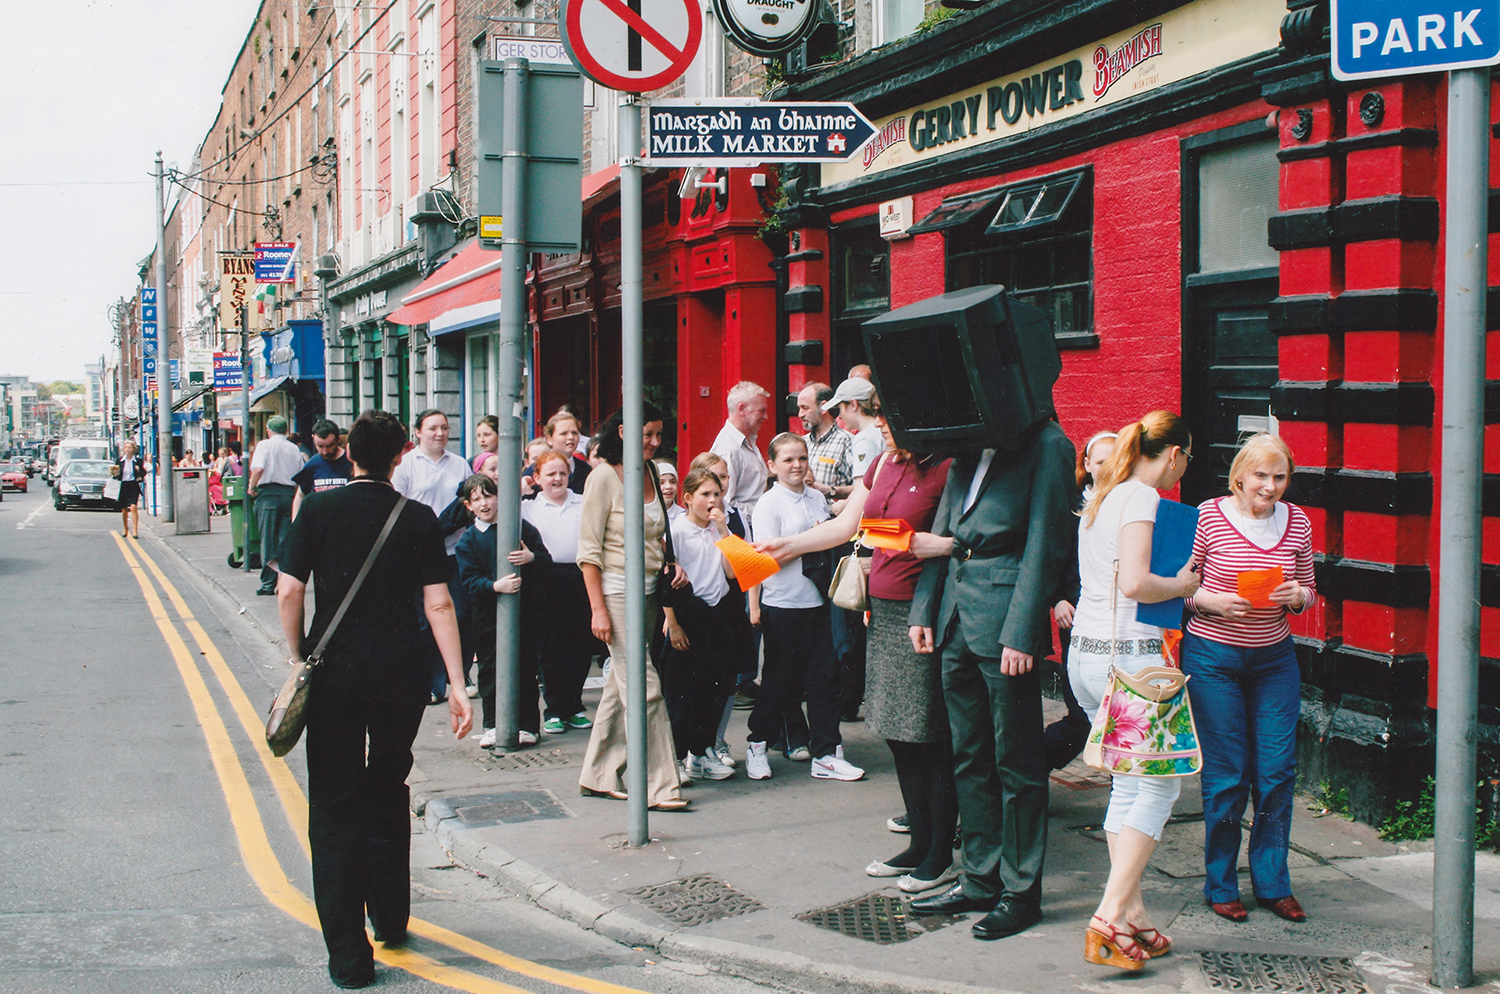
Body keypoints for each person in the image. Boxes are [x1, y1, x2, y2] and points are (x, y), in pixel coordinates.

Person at [276, 409, 473, 990]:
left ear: (350, 454)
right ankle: (389, 915)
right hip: (399, 676)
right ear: (399, 456)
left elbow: (290, 590)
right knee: (388, 784)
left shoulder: (316, 508)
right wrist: (458, 685)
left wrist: (298, 657)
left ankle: (349, 958)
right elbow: (439, 604)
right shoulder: (415, 519)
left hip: (334, 675)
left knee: (334, 803)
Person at [758, 390, 954, 889]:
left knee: (925, 733)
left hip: (921, 615)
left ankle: (939, 851)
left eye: (887, 419)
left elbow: (943, 543)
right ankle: (918, 841)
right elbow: (849, 526)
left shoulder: (946, 467)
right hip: (883, 612)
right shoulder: (885, 464)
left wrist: (918, 543)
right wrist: (787, 545)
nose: (878, 427)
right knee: (894, 729)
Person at [905, 419, 1076, 940]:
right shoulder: (968, 441)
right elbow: (944, 535)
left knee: (1018, 762)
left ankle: (1021, 892)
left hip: (1005, 626)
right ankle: (980, 877)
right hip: (957, 619)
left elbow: (1048, 540)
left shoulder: (1047, 444)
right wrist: (923, 608)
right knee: (970, 754)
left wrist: (1024, 632)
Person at [1068, 412, 1199, 970]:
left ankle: (1132, 913)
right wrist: (1185, 584)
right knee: (1162, 785)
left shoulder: (1101, 496)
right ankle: (1108, 913)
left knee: (1128, 785)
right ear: (1173, 454)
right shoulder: (1142, 499)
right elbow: (1137, 583)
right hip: (1135, 661)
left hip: (1088, 657)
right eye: (1186, 460)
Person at [1182, 432, 1315, 925]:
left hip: (1273, 661)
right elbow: (1176, 587)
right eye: (1261, 475)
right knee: (1228, 775)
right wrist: (1208, 602)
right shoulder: (1208, 516)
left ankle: (1273, 883)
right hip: (1214, 658)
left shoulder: (1297, 521)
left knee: (1277, 772)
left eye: (1280, 477)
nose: (1270, 486)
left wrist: (1296, 596)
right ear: (1239, 475)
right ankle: (1220, 884)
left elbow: (1309, 591)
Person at [576, 404, 690, 811]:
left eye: (660, 435)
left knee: (618, 688)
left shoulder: (651, 474)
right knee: (646, 689)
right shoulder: (602, 478)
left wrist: (671, 565)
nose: (656, 443)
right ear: (623, 432)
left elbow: (656, 535)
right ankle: (662, 787)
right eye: (648, 435)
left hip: (647, 595)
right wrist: (598, 610)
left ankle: (599, 773)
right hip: (615, 594)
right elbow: (588, 552)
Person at [747, 432, 865, 783]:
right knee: (779, 682)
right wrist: (813, 540)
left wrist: (819, 535)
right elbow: (765, 559)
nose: (797, 465)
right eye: (788, 460)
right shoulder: (768, 505)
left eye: (802, 457)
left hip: (821, 603)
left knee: (825, 679)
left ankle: (827, 752)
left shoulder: (817, 497)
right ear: (772, 466)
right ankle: (757, 744)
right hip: (784, 605)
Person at [455, 473, 550, 749]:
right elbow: (469, 580)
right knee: (489, 669)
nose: (484, 503)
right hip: (486, 617)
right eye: (476, 499)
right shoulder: (468, 540)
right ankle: (493, 725)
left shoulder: (522, 529)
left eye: (488, 495)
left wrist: (531, 557)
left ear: (499, 497)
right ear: (468, 506)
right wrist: (494, 586)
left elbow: (546, 560)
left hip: (524, 612)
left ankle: (528, 725)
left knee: (525, 667)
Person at [659, 466, 742, 782]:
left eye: (716, 494)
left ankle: (703, 751)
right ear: (688, 498)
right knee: (683, 691)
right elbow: (666, 579)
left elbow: (733, 574)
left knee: (715, 686)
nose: (712, 501)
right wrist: (673, 621)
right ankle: (676, 756)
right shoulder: (677, 532)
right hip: (688, 614)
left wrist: (723, 532)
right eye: (705, 495)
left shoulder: (720, 530)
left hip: (717, 613)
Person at [1044, 430, 1119, 769]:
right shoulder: (1071, 504)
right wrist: (1057, 599)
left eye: (1115, 460)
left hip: (1117, 620)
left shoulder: (1129, 503)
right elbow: (1052, 556)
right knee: (1082, 713)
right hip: (1076, 615)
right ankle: (1032, 766)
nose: (1108, 468)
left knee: (1119, 710)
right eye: (1101, 461)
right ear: (1087, 464)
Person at [392, 409, 472, 703]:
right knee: (426, 620)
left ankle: (458, 677)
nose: (440, 434)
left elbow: (468, 502)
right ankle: (431, 682)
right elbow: (398, 505)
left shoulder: (460, 464)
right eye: (433, 428)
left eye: (445, 428)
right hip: (418, 553)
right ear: (418, 433)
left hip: (453, 550)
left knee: (461, 615)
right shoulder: (406, 465)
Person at [800, 381, 864, 722]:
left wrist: (828, 489)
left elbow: (863, 485)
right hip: (810, 540)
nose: (800, 415)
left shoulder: (847, 441)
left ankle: (846, 697)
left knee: (840, 618)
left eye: (805, 408)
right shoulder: (802, 443)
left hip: (838, 537)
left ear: (824, 407)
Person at [521, 451, 595, 735]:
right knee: (550, 648)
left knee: (580, 645)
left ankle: (574, 706)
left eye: (562, 473)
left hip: (580, 577)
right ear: (537, 478)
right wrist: (522, 487)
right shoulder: (529, 507)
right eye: (550, 474)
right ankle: (553, 710)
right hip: (544, 579)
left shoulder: (582, 501)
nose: (557, 479)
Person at [688, 451, 752, 769]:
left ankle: (715, 740)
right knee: (697, 682)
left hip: (730, 606)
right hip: (699, 610)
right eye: (710, 481)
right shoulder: (684, 526)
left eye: (723, 479)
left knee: (726, 680)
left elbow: (738, 569)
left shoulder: (732, 518)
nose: (717, 490)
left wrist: (725, 530)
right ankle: (695, 748)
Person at [249, 415, 306, 596]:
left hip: (268, 495)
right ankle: (286, 581)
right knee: (285, 541)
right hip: (289, 495)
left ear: (268, 430)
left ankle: (267, 584)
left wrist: (251, 487)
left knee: (267, 540)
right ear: (286, 431)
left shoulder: (264, 445)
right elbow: (300, 476)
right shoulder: (293, 448)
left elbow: (258, 468)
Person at [710, 380, 771, 523]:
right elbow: (724, 503)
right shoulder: (728, 449)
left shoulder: (747, 440)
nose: (765, 416)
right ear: (741, 409)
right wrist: (765, 513)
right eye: (761, 411)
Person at [292, 420, 354, 519]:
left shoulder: (351, 462)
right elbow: (300, 495)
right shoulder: (313, 464)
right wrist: (295, 523)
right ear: (313, 439)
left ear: (338, 439)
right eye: (320, 446)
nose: (325, 452)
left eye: (329, 446)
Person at [825, 377, 882, 479]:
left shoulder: (864, 438)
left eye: (840, 409)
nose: (839, 417)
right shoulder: (882, 431)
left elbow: (863, 487)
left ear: (853, 405)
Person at [114, 440, 145, 539]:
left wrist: (139, 470)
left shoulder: (138, 461)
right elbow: (115, 475)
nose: (128, 450)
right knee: (124, 510)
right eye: (126, 448)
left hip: (133, 485)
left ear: (133, 449)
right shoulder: (119, 461)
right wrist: (115, 473)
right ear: (124, 449)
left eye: (130, 448)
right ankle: (125, 528)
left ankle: (135, 531)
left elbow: (144, 473)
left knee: (134, 507)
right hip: (123, 486)